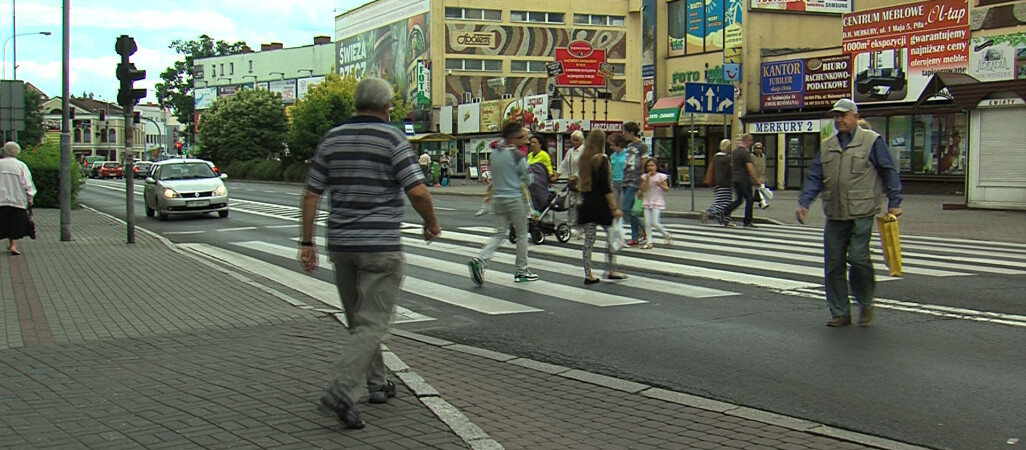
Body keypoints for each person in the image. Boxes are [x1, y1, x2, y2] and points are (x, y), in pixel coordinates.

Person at [299, 78, 441, 429]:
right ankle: (343, 390)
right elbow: (418, 191)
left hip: (342, 246)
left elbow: (311, 194)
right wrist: (431, 223)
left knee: (360, 323)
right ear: (386, 107)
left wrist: (306, 242)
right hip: (380, 247)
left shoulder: (331, 139)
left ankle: (378, 385)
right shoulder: (392, 138)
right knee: (374, 323)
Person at [796, 98, 903, 328]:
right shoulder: (827, 145)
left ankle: (865, 303)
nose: (839, 120)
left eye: (843, 115)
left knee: (858, 257)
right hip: (834, 214)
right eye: (836, 116)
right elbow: (815, 176)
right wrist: (804, 203)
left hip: (862, 211)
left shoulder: (872, 141)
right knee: (833, 263)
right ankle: (840, 312)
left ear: (855, 116)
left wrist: (895, 202)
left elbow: (889, 171)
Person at [468, 122, 540, 286]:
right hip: (515, 198)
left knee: (499, 234)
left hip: (498, 199)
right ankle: (522, 270)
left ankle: (481, 259)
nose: (526, 140)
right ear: (514, 138)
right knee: (522, 235)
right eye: (523, 137)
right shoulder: (518, 156)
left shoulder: (494, 154)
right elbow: (529, 179)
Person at [575, 129, 627, 284]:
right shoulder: (602, 159)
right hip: (602, 205)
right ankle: (610, 269)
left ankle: (588, 273)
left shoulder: (584, 158)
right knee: (613, 236)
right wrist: (614, 207)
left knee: (589, 241)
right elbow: (605, 186)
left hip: (588, 202)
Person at [0, 142, 37, 256]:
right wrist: (30, 198)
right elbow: (28, 184)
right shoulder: (21, 166)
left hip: (1, 199)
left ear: (4, 151)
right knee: (15, 224)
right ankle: (13, 245)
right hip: (18, 200)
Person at [723, 133, 762, 228]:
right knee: (749, 199)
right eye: (750, 141)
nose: (751, 143)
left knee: (739, 200)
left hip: (735, 178)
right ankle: (747, 221)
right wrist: (757, 180)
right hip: (744, 179)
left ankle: (725, 211)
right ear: (747, 141)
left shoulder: (735, 152)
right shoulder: (745, 152)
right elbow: (750, 167)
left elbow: (731, 165)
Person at [553, 130, 585, 236]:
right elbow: (564, 163)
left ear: (581, 140)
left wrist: (576, 175)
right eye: (573, 140)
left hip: (582, 180)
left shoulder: (585, 151)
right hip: (571, 181)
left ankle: (580, 226)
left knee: (580, 204)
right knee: (571, 203)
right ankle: (571, 224)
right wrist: (557, 174)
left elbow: (585, 166)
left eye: (577, 140)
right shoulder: (570, 151)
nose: (574, 142)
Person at [621, 122, 647, 246]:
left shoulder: (642, 146)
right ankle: (635, 237)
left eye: (625, 131)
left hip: (635, 180)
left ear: (631, 132)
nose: (623, 134)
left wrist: (642, 180)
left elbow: (644, 163)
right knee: (631, 211)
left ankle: (644, 229)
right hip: (626, 179)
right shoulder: (629, 145)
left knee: (626, 208)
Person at [639, 157, 672, 249]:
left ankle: (666, 234)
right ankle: (649, 242)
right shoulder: (644, 177)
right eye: (648, 166)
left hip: (657, 201)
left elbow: (667, 189)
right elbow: (642, 189)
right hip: (647, 200)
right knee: (647, 223)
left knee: (655, 222)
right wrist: (647, 179)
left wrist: (660, 185)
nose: (650, 168)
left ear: (656, 166)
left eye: (652, 165)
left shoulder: (661, 176)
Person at [701, 140, 735, 227]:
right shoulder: (726, 159)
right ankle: (709, 212)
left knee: (719, 200)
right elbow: (728, 172)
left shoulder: (715, 157)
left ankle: (723, 220)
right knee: (726, 203)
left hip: (716, 182)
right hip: (725, 183)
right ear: (727, 147)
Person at [608, 132, 627, 206]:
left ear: (618, 144)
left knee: (622, 205)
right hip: (614, 182)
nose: (611, 147)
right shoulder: (612, 156)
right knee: (614, 205)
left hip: (624, 182)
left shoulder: (627, 154)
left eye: (612, 145)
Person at [751, 142, 769, 209]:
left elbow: (764, 166)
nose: (759, 150)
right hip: (753, 176)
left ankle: (763, 203)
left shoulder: (763, 156)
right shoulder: (751, 156)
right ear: (754, 149)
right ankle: (753, 203)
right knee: (754, 191)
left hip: (761, 176)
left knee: (762, 190)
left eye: (760, 148)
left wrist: (764, 176)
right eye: (757, 148)